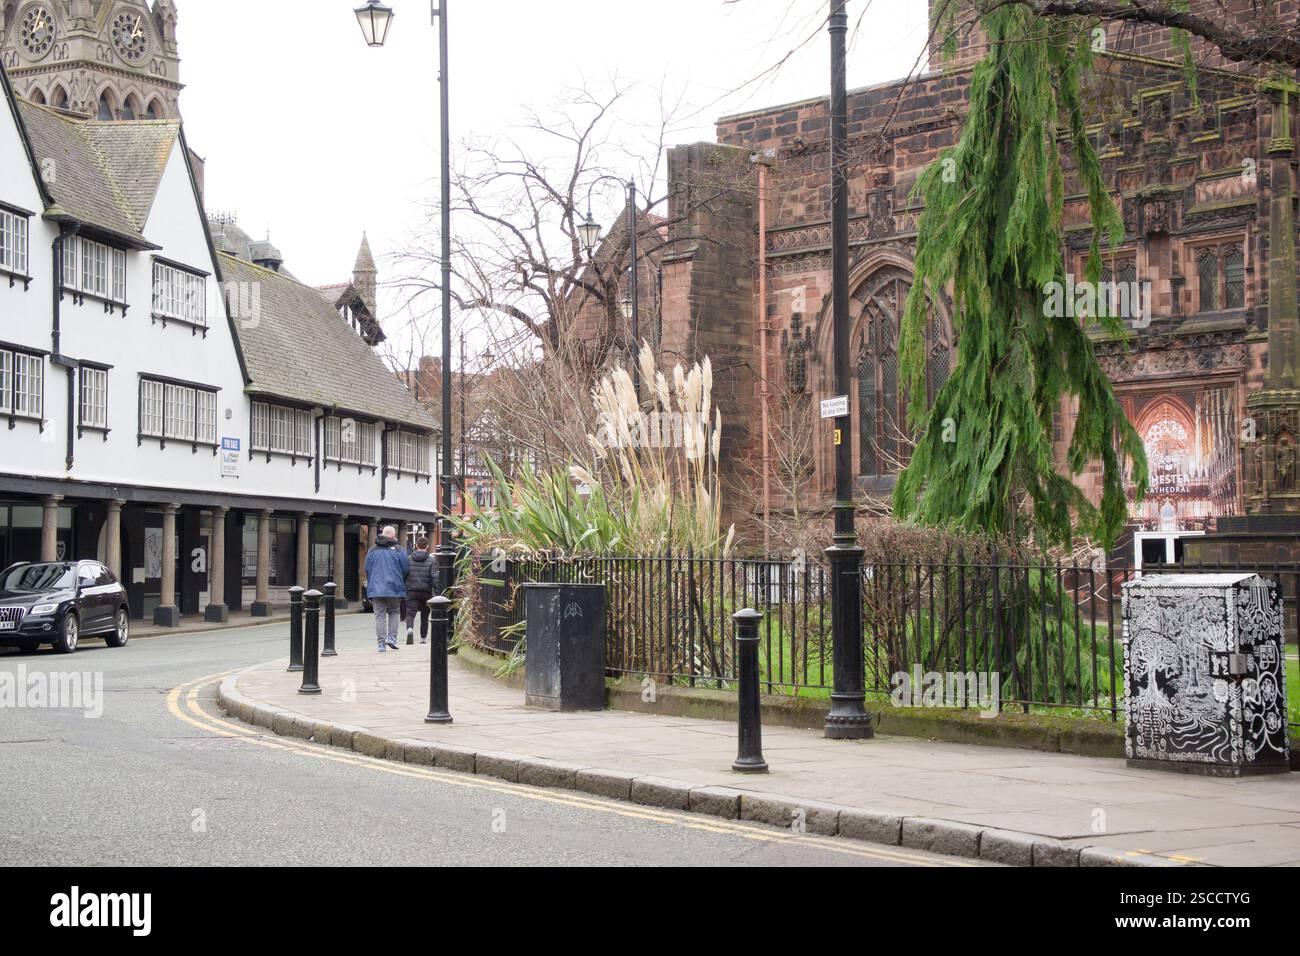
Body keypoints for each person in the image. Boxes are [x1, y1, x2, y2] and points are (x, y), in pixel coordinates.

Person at [364, 525, 409, 652]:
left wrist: (372, 581)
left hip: (376, 588)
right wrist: (400, 579)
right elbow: (405, 569)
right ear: (393, 536)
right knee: (394, 612)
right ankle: (392, 638)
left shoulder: (372, 550)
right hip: (394, 587)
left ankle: (381, 644)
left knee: (379, 616)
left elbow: (367, 569)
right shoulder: (399, 550)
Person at [404, 536, 437, 644]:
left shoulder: (409, 559)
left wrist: (405, 585)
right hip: (426, 592)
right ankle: (423, 638)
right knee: (425, 615)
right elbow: (434, 577)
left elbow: (404, 574)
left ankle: (410, 629)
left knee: (410, 613)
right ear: (427, 546)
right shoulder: (431, 560)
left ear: (416, 545)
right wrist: (437, 592)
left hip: (412, 590)